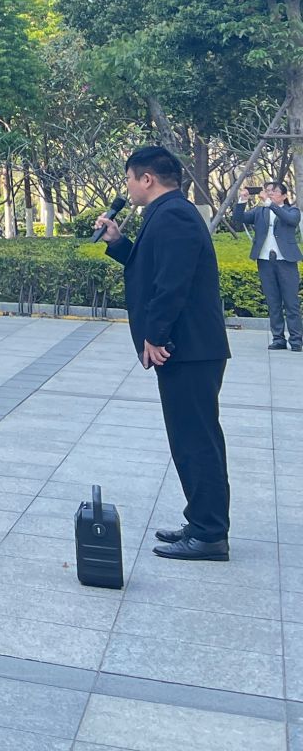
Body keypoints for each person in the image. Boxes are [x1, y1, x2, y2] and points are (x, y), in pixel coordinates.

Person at [100, 145, 231, 561]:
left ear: (146, 179)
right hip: (187, 347)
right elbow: (151, 269)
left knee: (197, 440)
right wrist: (119, 243)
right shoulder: (169, 212)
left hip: (187, 348)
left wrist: (155, 334)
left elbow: (172, 283)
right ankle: (200, 521)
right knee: (189, 438)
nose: (128, 188)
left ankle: (210, 533)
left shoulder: (173, 214)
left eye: (129, 180)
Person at [234, 181, 301, 351]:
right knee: (273, 301)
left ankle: (296, 339)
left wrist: (270, 204)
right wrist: (242, 201)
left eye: (274, 191)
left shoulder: (291, 210)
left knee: (291, 302)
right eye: (268, 191)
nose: (270, 193)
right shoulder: (260, 211)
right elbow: (238, 220)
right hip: (265, 261)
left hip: (285, 261)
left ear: (284, 196)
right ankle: (278, 338)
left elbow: (291, 221)